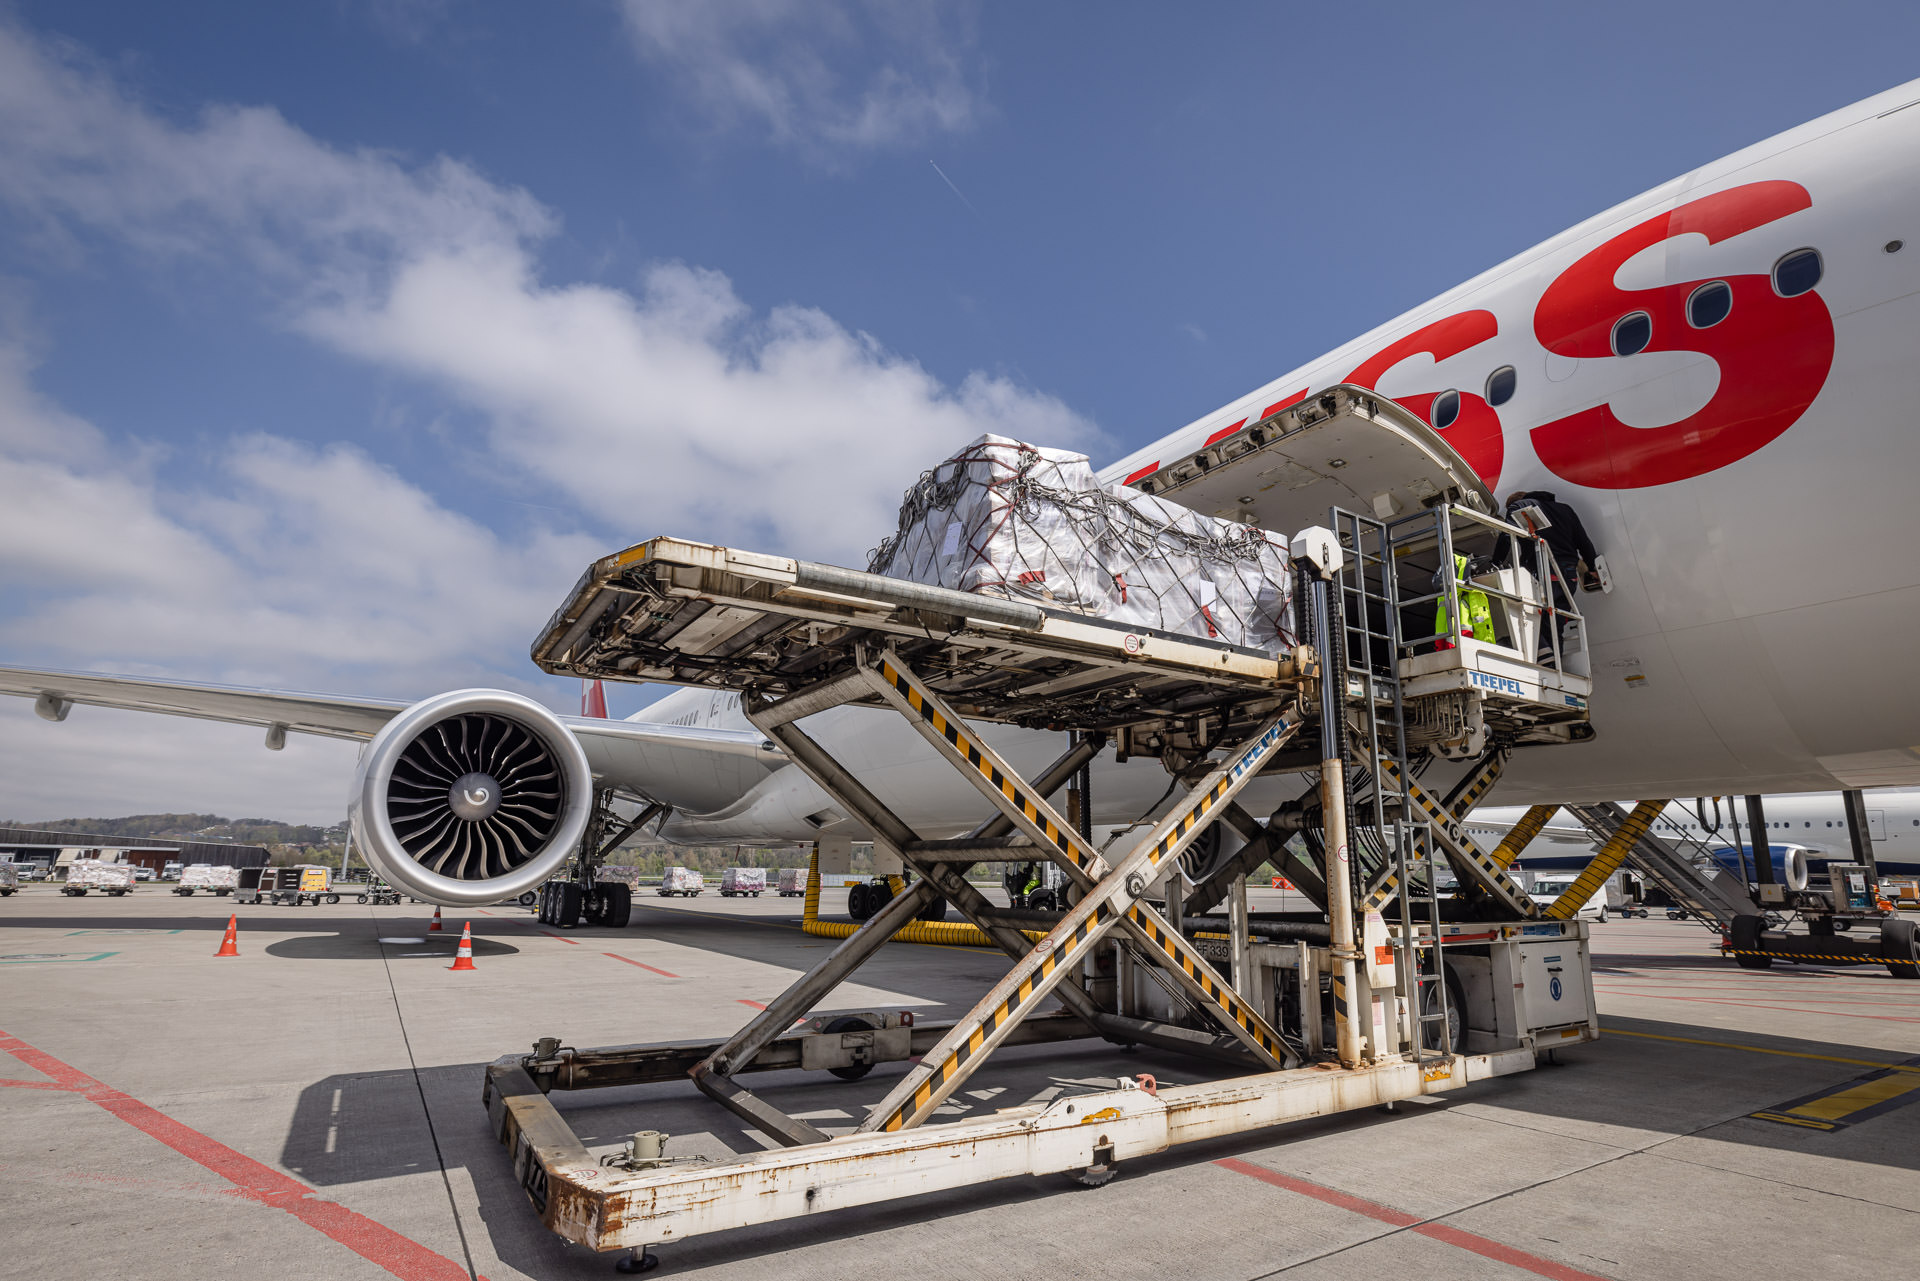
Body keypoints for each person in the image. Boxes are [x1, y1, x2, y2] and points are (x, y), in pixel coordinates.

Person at [1495, 490, 1600, 659]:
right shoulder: (1565, 509)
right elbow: (1583, 541)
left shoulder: (1519, 506)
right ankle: (1554, 660)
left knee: (1524, 612)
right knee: (1555, 621)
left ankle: (1546, 659)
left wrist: (1496, 562)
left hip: (1544, 568)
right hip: (1569, 573)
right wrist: (1593, 566)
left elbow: (1507, 535)